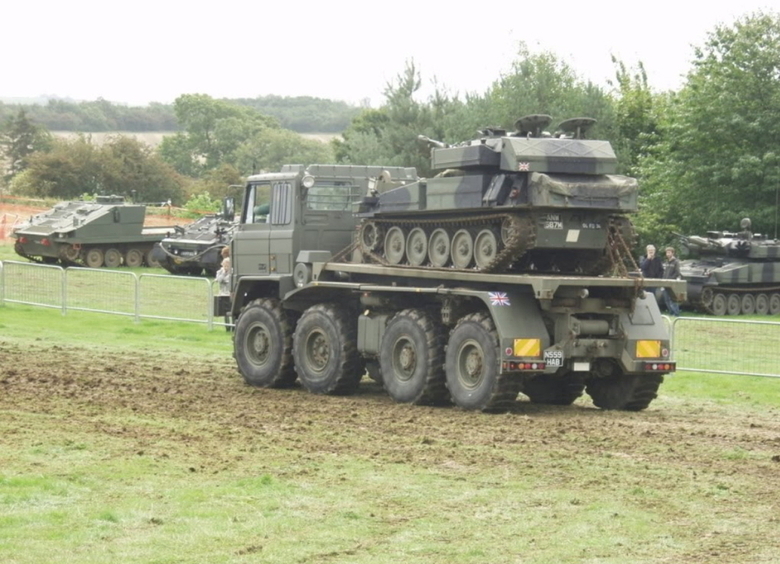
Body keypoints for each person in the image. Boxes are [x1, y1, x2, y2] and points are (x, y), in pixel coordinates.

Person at [661, 246, 681, 316]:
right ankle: (671, 312)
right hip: (665, 282)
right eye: (667, 252)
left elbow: (677, 272)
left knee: (673, 299)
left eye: (669, 252)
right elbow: (664, 272)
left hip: (672, 283)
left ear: (673, 253)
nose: (668, 254)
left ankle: (676, 313)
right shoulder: (666, 262)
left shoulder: (676, 262)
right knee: (666, 300)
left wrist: (671, 279)